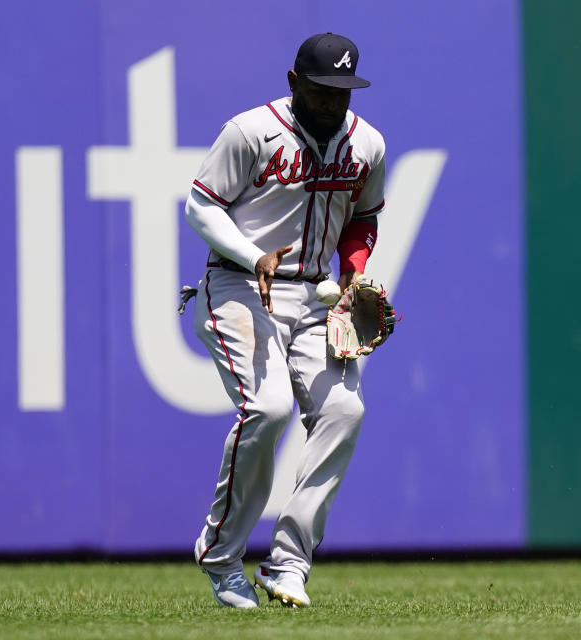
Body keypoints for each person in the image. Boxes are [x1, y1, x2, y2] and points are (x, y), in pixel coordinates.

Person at [183, 32, 386, 609]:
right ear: (295, 82)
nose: (332, 103)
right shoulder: (250, 132)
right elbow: (201, 205)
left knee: (345, 410)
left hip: (315, 299)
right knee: (268, 408)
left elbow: (362, 219)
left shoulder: (366, 143)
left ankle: (288, 564)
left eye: (342, 92)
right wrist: (253, 256)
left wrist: (353, 270)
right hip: (238, 284)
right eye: (322, 90)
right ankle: (222, 558)